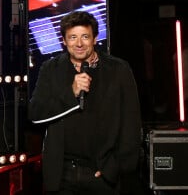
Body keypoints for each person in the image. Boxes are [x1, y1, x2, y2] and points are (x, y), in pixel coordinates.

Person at [28, 10, 142, 195]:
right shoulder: (51, 68)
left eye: (85, 37)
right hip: (62, 175)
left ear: (95, 39)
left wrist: (116, 168)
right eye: (72, 37)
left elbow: (131, 123)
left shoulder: (118, 70)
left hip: (102, 175)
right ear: (64, 41)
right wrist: (71, 93)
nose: (79, 43)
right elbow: (35, 113)